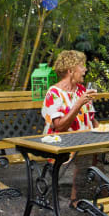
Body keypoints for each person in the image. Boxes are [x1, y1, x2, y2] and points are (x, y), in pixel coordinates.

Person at [41, 49, 97, 202]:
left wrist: (107, 128)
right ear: (70, 70)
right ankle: (76, 198)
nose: (85, 70)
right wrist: (78, 104)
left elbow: (92, 120)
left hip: (83, 139)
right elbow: (59, 127)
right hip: (60, 141)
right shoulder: (54, 93)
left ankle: (98, 192)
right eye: (82, 66)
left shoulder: (82, 91)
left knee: (102, 147)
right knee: (86, 152)